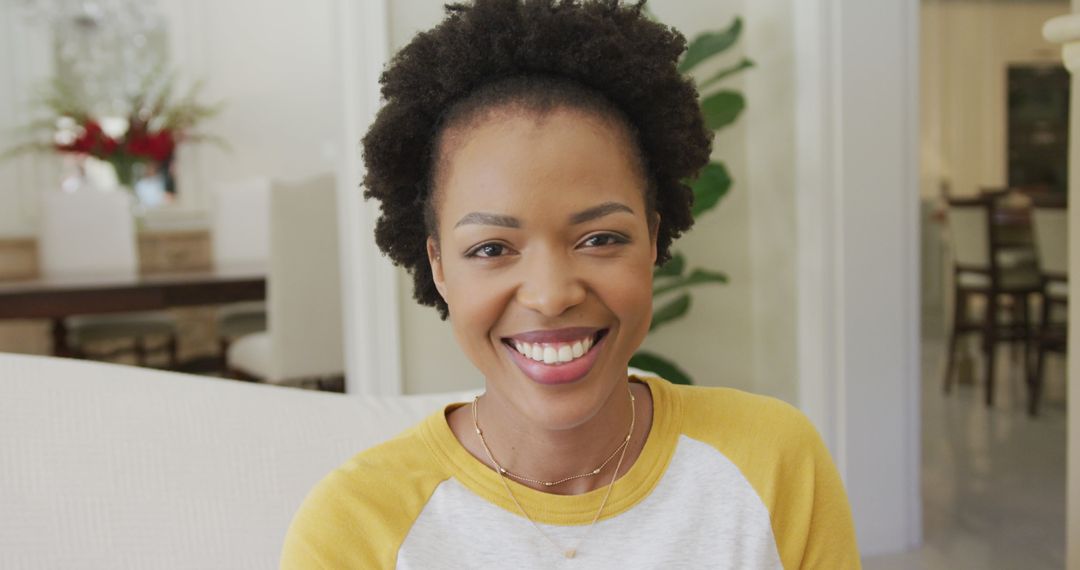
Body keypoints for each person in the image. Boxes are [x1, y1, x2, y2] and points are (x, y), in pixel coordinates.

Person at [281, 1, 861, 568]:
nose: (552, 294)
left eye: (600, 239)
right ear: (438, 265)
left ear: (654, 241)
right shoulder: (355, 528)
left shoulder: (774, 463)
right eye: (490, 249)